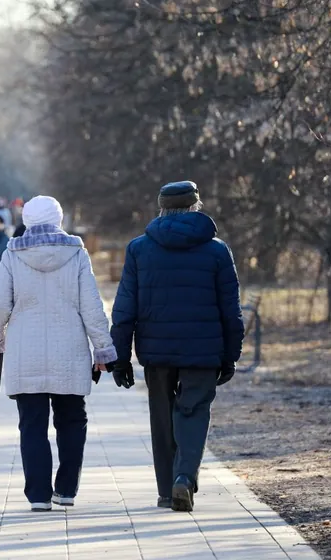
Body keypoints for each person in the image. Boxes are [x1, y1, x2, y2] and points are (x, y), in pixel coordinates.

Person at [109, 181, 245, 512]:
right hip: (204, 349)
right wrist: (230, 356)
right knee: (193, 411)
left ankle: (166, 492)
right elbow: (231, 311)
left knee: (161, 417)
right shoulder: (216, 250)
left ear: (161, 208)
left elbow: (125, 308)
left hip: (157, 350)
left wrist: (120, 357)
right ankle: (184, 477)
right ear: (195, 207)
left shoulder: (139, 249)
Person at [0, 195, 117, 512]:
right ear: (59, 219)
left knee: (32, 424)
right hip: (69, 351)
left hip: (24, 353)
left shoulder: (13, 254)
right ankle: (67, 488)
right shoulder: (76, 252)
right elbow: (91, 305)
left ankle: (39, 495)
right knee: (72, 420)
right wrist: (102, 346)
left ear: (27, 220)